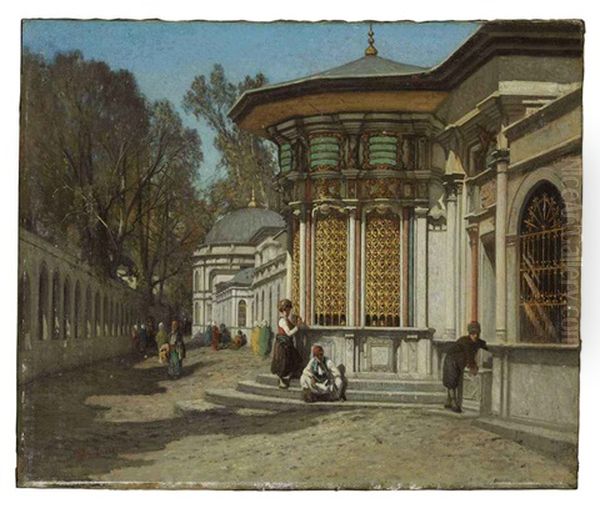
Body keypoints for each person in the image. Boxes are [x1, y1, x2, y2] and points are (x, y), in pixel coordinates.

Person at [442, 321, 488, 413]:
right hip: (451, 360)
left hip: (459, 361)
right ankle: (453, 402)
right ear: (469, 333)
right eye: (473, 333)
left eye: (477, 333)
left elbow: (485, 345)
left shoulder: (477, 341)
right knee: (452, 379)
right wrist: (473, 366)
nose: (475, 336)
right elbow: (469, 356)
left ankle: (449, 401)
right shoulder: (465, 341)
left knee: (455, 379)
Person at [270, 299, 303, 389]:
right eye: (286, 309)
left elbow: (291, 327)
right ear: (283, 310)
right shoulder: (282, 321)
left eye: (289, 309)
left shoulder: (286, 320)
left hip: (287, 343)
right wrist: (297, 327)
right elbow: (288, 333)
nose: (288, 311)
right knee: (282, 364)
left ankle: (288, 378)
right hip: (282, 344)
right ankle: (281, 381)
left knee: (294, 360)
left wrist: (297, 323)